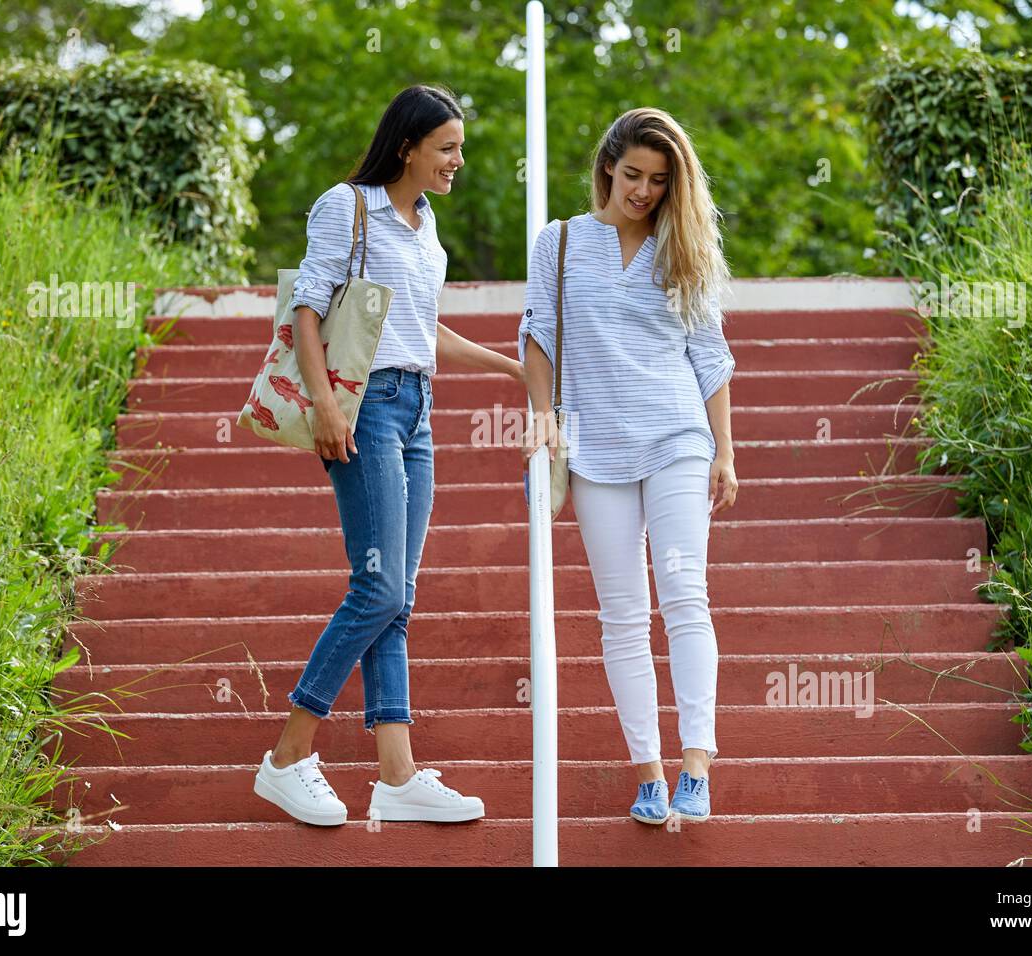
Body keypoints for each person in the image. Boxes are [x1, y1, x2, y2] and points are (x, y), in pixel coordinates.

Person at [254, 85, 523, 826]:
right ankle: (286, 757)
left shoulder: (426, 226)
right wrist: (327, 404)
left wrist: (511, 368)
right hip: (362, 408)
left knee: (397, 598)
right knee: (375, 591)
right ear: (407, 146)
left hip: (417, 412)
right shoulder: (348, 207)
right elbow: (308, 309)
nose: (457, 162)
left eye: (459, 149)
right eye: (447, 149)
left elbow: (424, 332)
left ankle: (397, 777)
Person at [519, 107, 739, 824]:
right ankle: (648, 771)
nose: (643, 191)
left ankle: (696, 766)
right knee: (622, 614)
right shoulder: (558, 243)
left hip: (678, 437)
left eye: (659, 180)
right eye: (633, 174)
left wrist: (726, 452)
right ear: (609, 165)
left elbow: (709, 357)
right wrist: (544, 417)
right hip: (595, 449)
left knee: (684, 596)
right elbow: (538, 337)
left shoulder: (684, 247)